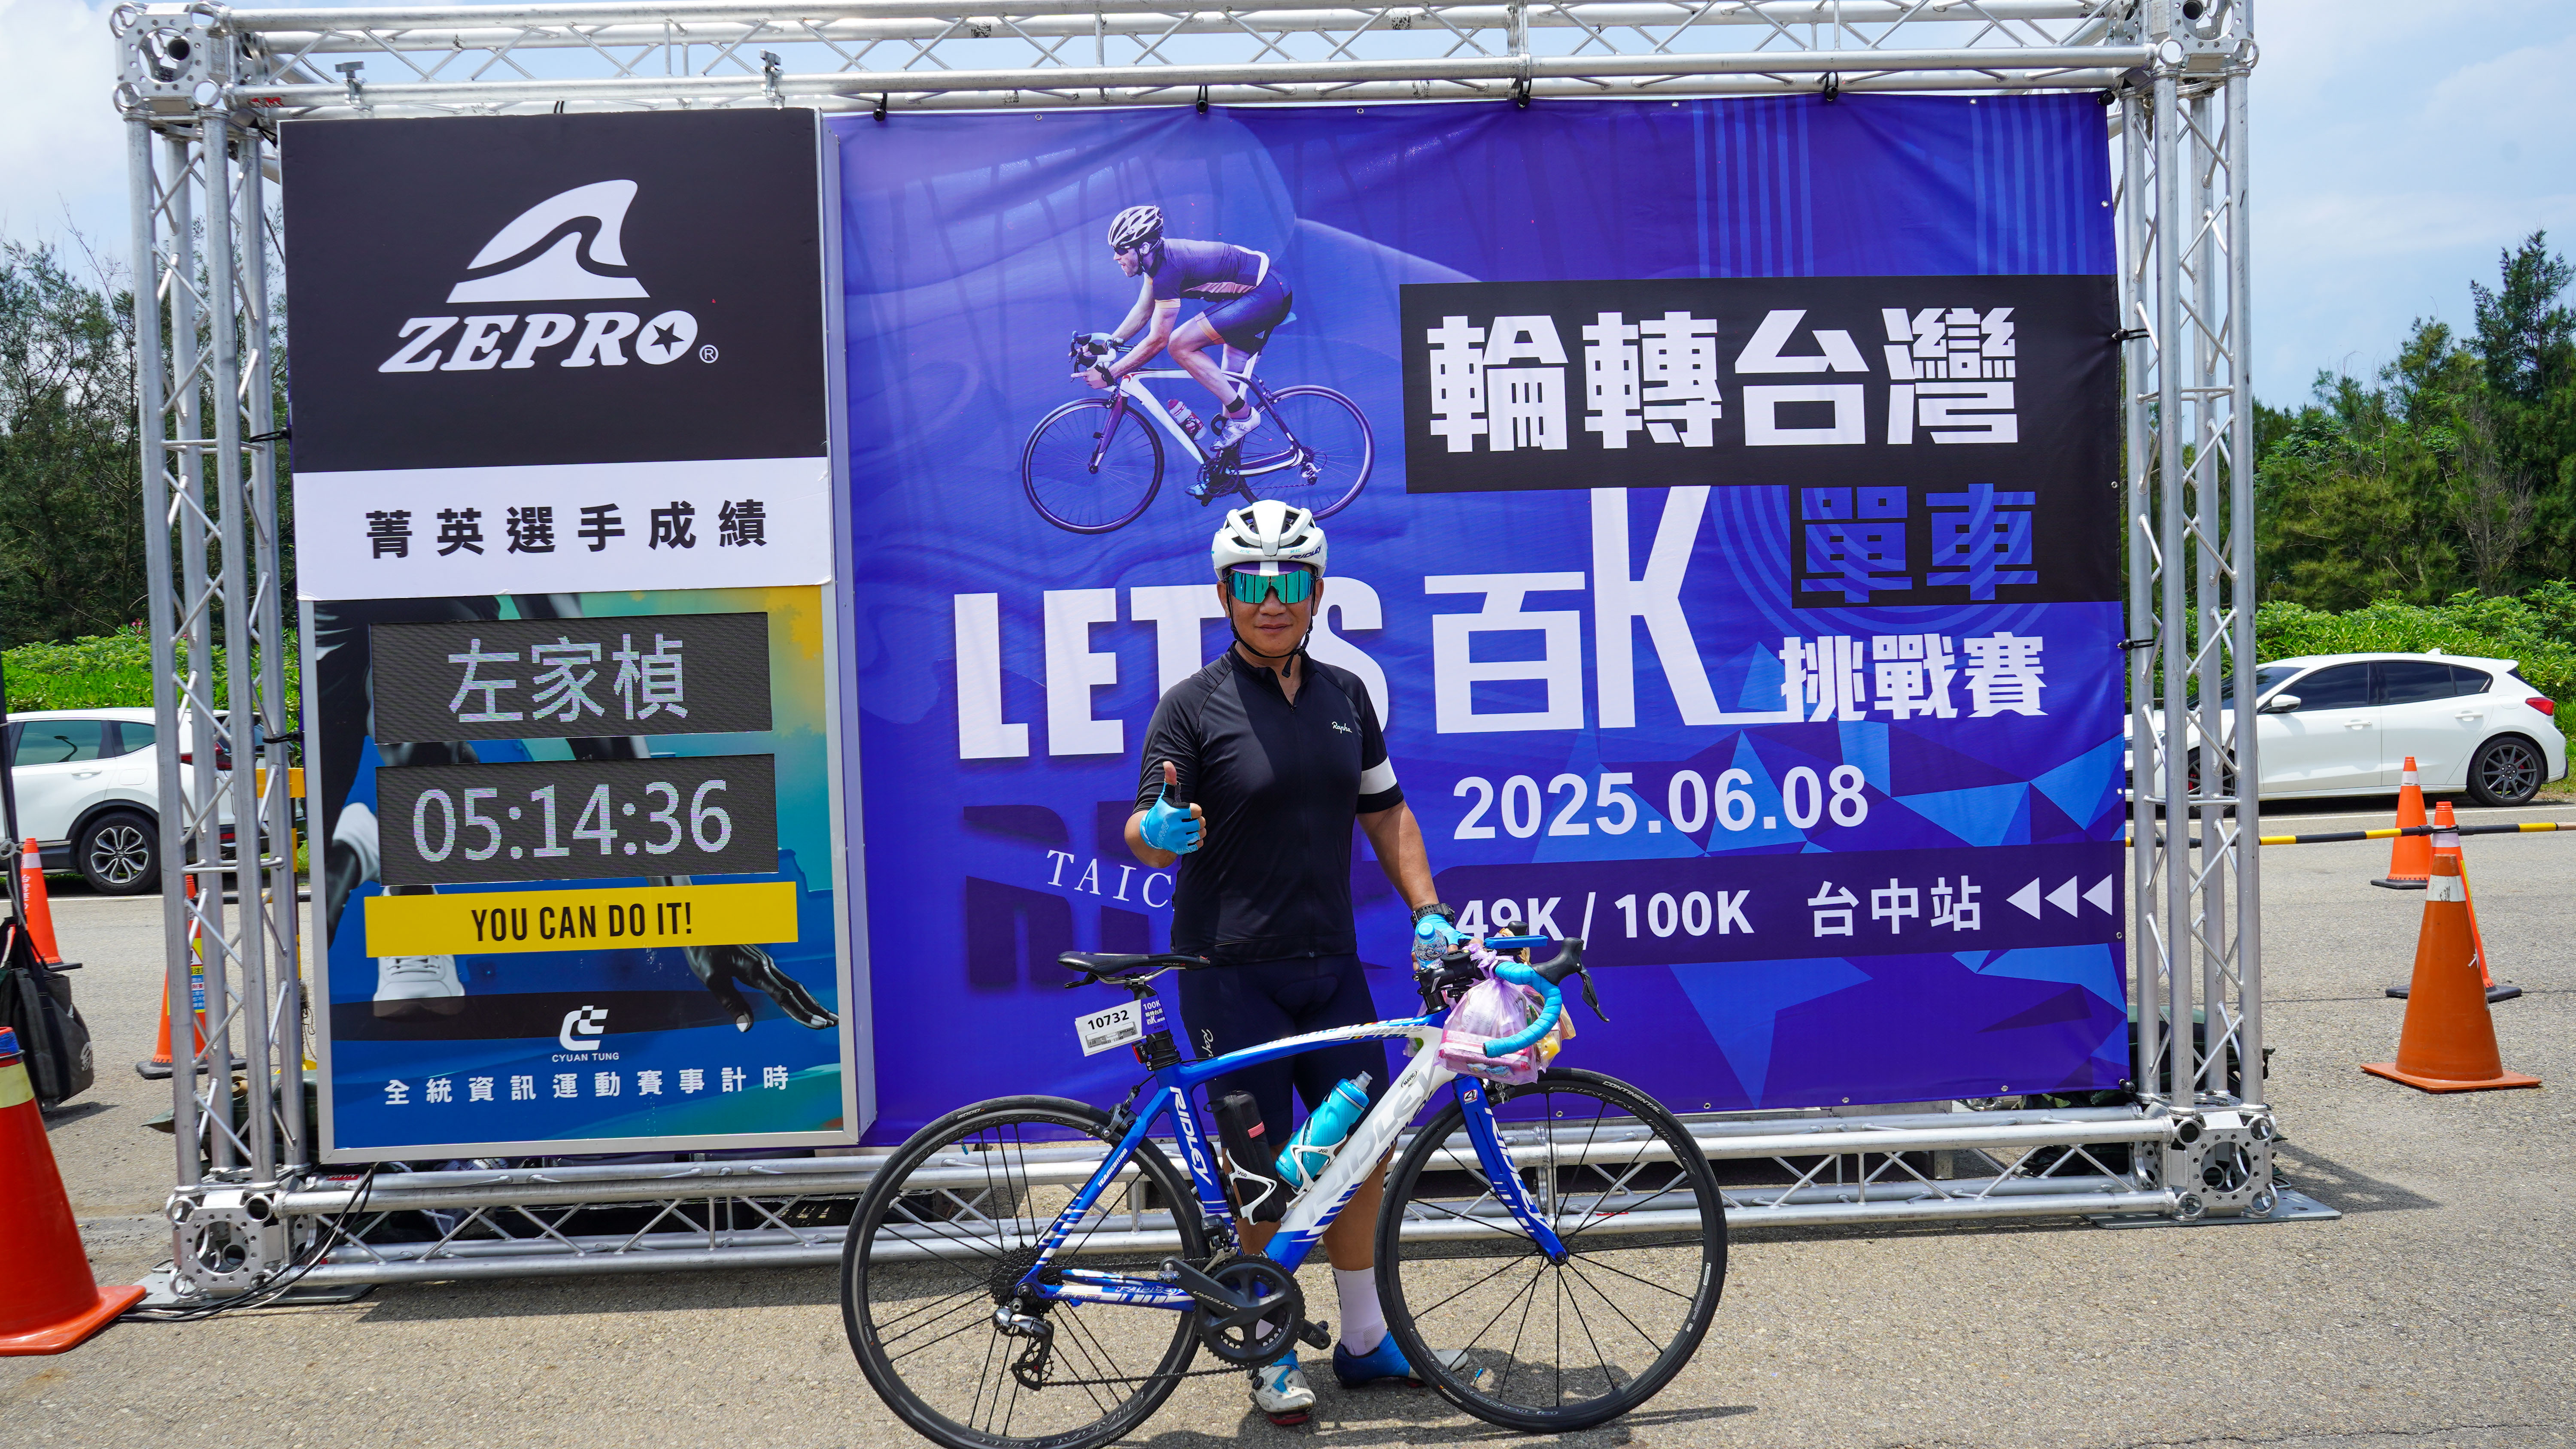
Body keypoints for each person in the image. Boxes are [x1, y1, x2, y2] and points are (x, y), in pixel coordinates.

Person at [1125, 499, 1464, 1425]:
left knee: (1363, 1150)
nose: (1270, 600)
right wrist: (1158, 832)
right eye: (1251, 582)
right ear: (1224, 594)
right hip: (1231, 973)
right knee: (1261, 1170)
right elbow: (1143, 824)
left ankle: (1365, 1337)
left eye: (1289, 582)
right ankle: (1268, 1344)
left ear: (1316, 592)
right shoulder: (1191, 705)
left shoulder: (1346, 696)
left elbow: (1386, 811)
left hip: (1331, 967)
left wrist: (1428, 911)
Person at [1078, 204, 1293, 455]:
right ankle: (1228, 463)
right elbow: (1143, 311)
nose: (1116, 257)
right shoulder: (1156, 263)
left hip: (1265, 295)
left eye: (1121, 250)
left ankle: (1244, 416)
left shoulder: (1168, 271)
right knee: (1228, 384)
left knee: (1180, 344)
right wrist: (1108, 344)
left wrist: (1110, 374)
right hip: (1261, 292)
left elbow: (1158, 341)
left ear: (1143, 248)